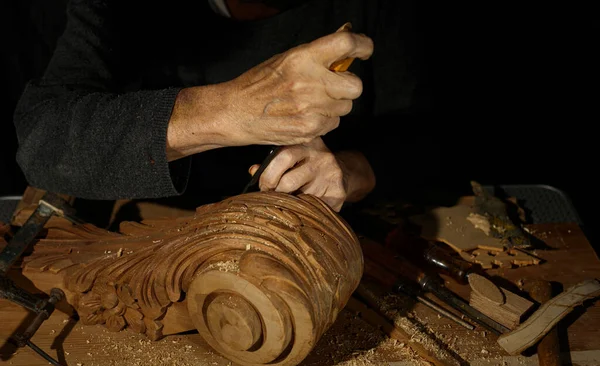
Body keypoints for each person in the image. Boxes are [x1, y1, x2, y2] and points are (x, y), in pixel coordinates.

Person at [13, 0, 417, 212]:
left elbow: (436, 137)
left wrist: (351, 170)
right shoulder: (118, 7)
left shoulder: (379, 8)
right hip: (161, 236)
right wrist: (228, 109)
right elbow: (43, 138)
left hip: (337, 237)